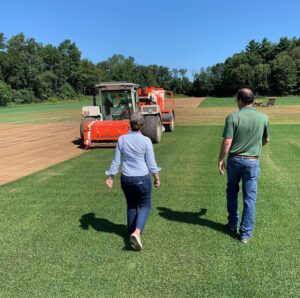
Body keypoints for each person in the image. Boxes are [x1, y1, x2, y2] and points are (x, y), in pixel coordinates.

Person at [218, 88, 269, 244]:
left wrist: (221, 159)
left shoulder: (232, 117)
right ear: (252, 100)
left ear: (240, 100)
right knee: (250, 198)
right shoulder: (263, 117)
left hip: (234, 160)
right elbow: (266, 140)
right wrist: (254, 147)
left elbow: (227, 141)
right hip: (252, 161)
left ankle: (233, 225)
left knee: (232, 191)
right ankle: (245, 234)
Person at [105, 112, 161, 251]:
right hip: (142, 177)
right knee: (145, 205)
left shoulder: (122, 139)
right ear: (142, 125)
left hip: (126, 178)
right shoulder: (146, 141)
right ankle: (136, 232)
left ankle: (130, 232)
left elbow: (116, 161)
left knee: (131, 205)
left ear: (130, 124)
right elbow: (151, 163)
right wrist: (156, 177)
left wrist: (111, 177)